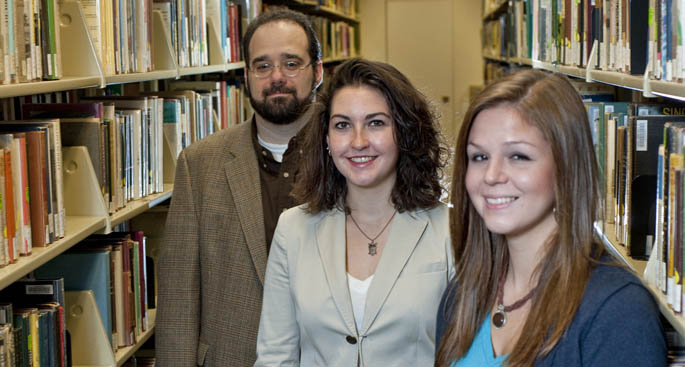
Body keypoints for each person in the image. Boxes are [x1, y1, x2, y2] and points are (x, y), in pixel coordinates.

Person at [435, 69, 667, 366]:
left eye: (518, 156)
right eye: (479, 157)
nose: (491, 176)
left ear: (566, 167)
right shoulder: (461, 296)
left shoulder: (618, 310)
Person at [254, 58, 454, 366]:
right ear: (326, 139)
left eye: (376, 123)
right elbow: (275, 356)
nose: (358, 142)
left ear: (404, 132)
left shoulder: (451, 230)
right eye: (342, 125)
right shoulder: (293, 229)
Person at [156, 8, 324, 366]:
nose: (277, 77)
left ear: (318, 71)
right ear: (246, 75)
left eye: (291, 63)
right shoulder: (199, 164)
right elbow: (179, 296)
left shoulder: (349, 155)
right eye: (262, 66)